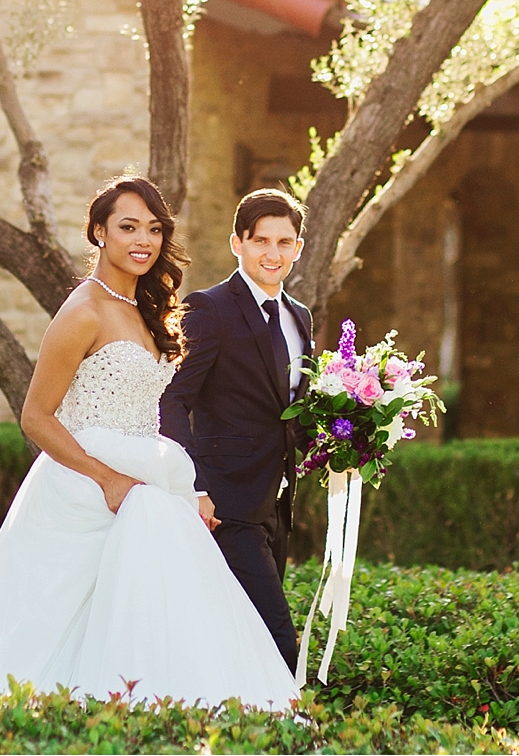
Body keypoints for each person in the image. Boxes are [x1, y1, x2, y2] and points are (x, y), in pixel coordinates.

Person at [0, 177, 300, 710]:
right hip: (86, 489)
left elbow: (149, 413)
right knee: (57, 633)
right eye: (128, 227)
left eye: (153, 229)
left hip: (145, 484)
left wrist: (183, 489)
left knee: (156, 624)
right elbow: (36, 417)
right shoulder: (83, 311)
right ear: (99, 232)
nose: (142, 240)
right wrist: (107, 479)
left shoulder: (145, 307)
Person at [160, 188, 313, 676]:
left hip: (278, 503)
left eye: (284, 242)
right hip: (224, 505)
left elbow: (290, 408)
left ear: (298, 248)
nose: (273, 253)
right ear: (237, 243)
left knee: (244, 635)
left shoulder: (299, 317)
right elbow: (172, 399)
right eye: (261, 241)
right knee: (277, 640)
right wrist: (195, 486)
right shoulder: (209, 308)